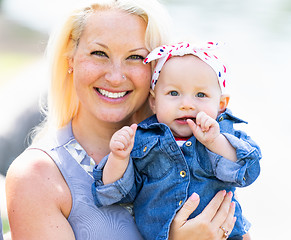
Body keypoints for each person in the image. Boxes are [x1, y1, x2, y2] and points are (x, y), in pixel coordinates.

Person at [5, 1, 237, 239]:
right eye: (99, 53)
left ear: (158, 69)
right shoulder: (35, 177)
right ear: (70, 59)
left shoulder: (199, 147)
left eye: (135, 57)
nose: (115, 77)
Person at [93, 42, 261, 240]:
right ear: (154, 102)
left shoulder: (223, 134)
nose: (186, 104)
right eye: (173, 93)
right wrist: (118, 158)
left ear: (221, 104)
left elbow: (247, 171)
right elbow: (112, 194)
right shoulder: (143, 139)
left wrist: (215, 142)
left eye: (201, 95)